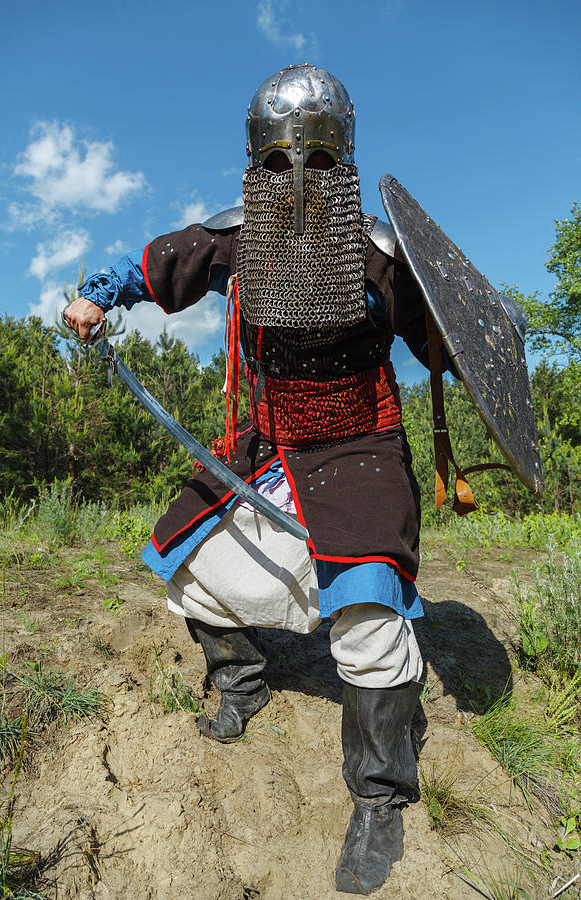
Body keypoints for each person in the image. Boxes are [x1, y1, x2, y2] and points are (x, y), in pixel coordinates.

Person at [64, 64, 434, 895]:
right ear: (255, 163)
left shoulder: (380, 258)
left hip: (362, 449)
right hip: (267, 451)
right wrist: (95, 294)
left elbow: (444, 346)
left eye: (315, 162)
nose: (296, 179)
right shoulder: (238, 240)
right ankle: (244, 678)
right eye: (277, 163)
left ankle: (379, 795)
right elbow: (154, 263)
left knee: (369, 612)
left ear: (342, 161)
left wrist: (469, 336)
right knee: (185, 558)